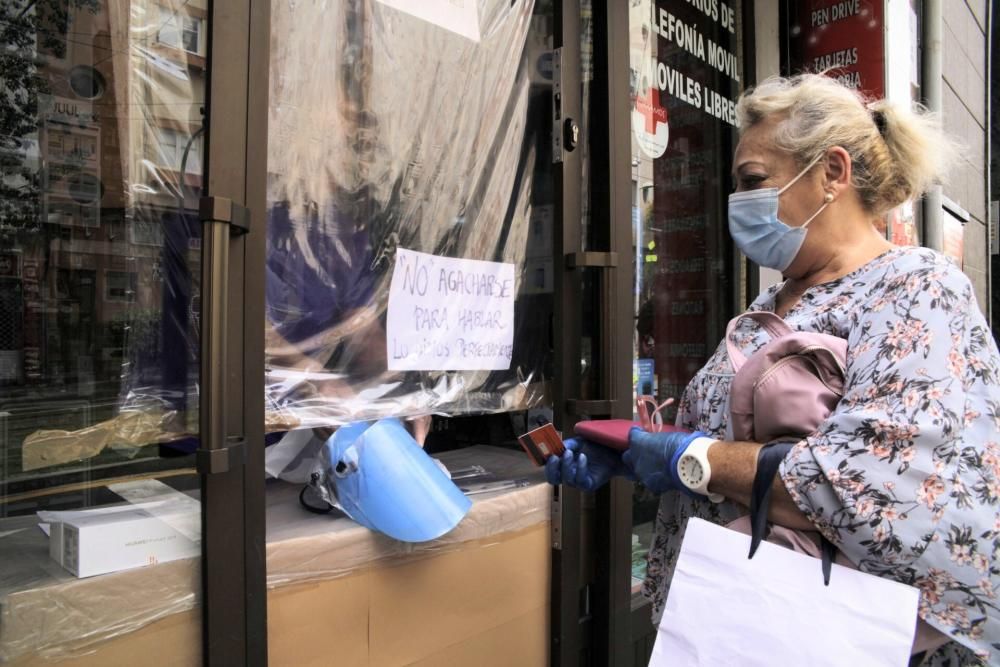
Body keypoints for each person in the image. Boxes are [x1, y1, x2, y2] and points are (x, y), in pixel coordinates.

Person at [547, 73, 1000, 666]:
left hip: (839, 637)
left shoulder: (919, 291)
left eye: (753, 181)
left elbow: (883, 488)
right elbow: (727, 447)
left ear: (833, 173)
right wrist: (636, 455)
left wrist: (694, 459)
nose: (738, 202)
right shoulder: (768, 306)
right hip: (737, 625)